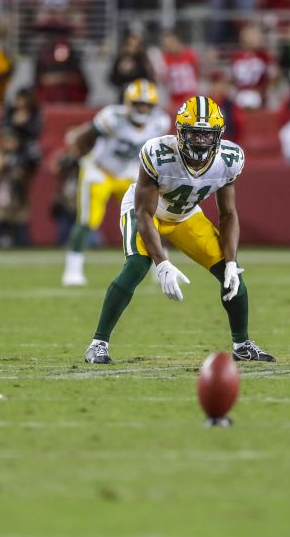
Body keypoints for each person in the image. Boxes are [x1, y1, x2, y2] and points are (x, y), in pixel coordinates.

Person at [82, 95, 273, 365]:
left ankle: (242, 345)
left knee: (232, 276)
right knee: (137, 265)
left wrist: (230, 261)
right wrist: (162, 264)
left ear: (218, 136)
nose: (200, 141)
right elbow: (144, 214)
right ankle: (98, 344)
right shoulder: (158, 154)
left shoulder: (229, 159)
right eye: (194, 134)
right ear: (180, 132)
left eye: (207, 135)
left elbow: (228, 214)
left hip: (186, 216)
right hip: (148, 211)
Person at [62, 79, 171, 286]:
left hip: (130, 173)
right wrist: (77, 159)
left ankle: (162, 268)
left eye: (146, 105)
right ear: (128, 102)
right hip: (99, 171)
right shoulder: (112, 117)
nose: (142, 109)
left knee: (149, 218)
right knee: (87, 221)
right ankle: (72, 270)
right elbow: (85, 138)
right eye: (138, 104)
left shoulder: (159, 122)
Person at [0, 132, 34, 248]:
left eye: (13, 141)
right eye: (8, 141)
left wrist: (18, 170)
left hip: (17, 201)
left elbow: (27, 178)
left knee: (22, 241)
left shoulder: (22, 157)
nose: (11, 145)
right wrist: (1, 165)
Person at [34, 23, 89, 105]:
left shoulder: (73, 60)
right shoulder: (43, 60)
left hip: (71, 103)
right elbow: (37, 82)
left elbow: (83, 84)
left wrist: (61, 78)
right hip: (48, 103)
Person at [228, 24, 277, 109]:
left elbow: (273, 76)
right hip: (240, 93)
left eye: (256, 36)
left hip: (258, 93)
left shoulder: (265, 56)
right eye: (250, 36)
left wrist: (264, 92)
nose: (253, 39)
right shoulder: (236, 56)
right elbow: (232, 77)